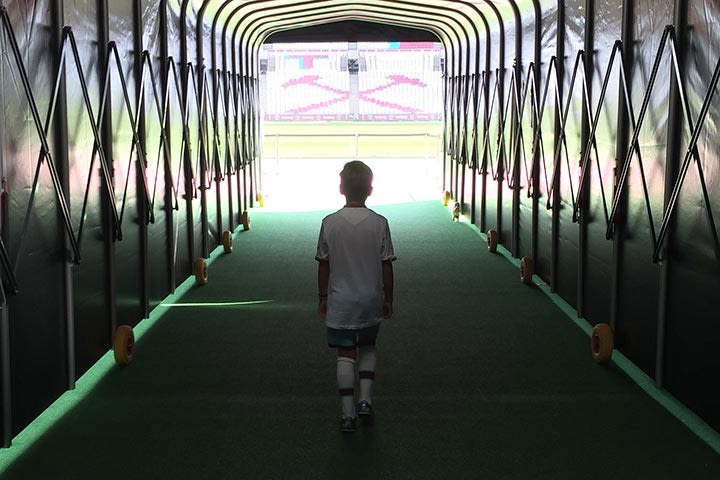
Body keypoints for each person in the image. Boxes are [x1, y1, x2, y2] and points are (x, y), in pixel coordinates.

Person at [315, 160, 396, 433]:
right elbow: (387, 265)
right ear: (370, 190)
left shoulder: (329, 223)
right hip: (371, 298)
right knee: (368, 346)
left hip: (341, 301)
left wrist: (322, 297)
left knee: (345, 352)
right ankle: (365, 401)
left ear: (341, 188)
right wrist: (389, 299)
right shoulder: (380, 223)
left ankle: (347, 415)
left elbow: (323, 264)